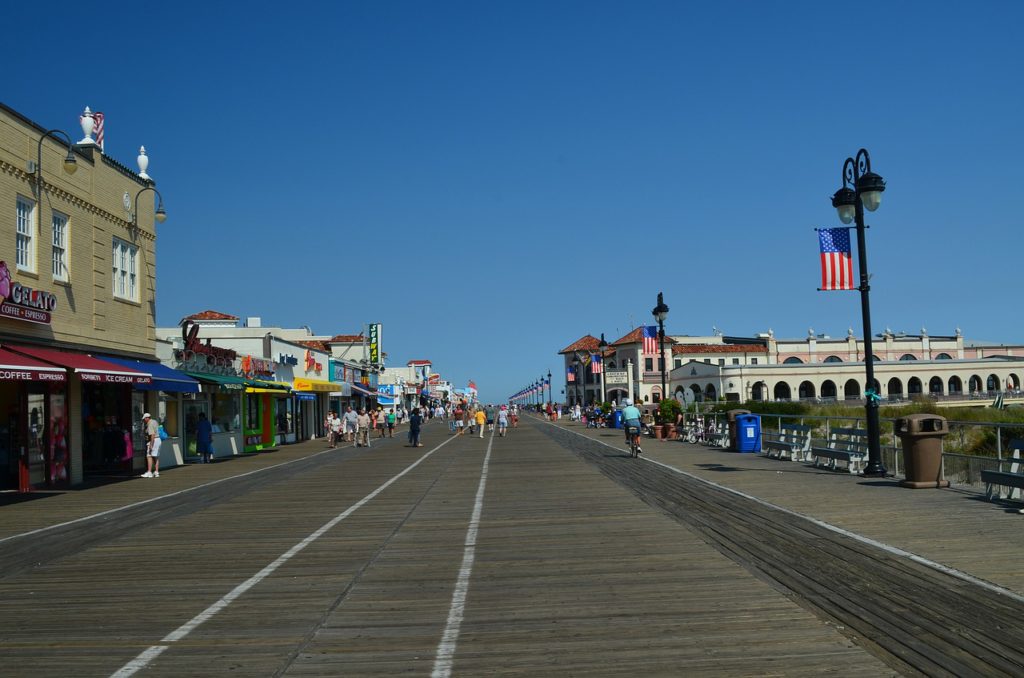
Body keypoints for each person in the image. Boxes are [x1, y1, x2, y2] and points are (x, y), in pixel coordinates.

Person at [141, 413, 161, 478]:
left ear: (147, 418)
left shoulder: (150, 424)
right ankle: (156, 472)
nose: (144, 420)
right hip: (158, 440)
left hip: (153, 440)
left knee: (149, 456)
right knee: (156, 456)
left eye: (144, 419)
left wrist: (151, 445)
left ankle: (149, 472)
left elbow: (152, 435)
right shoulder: (155, 421)